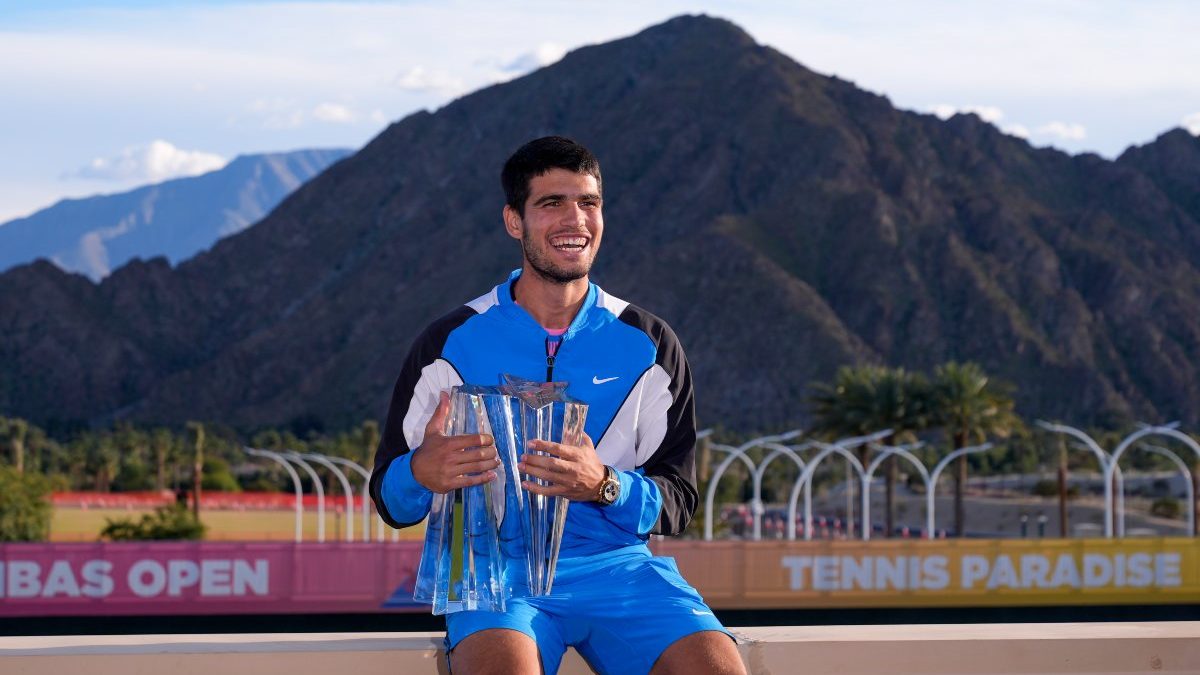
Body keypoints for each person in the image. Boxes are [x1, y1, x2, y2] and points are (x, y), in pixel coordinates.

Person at [371, 136, 745, 675]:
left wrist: (605, 485)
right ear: (514, 221)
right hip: (492, 571)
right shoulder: (449, 342)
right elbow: (389, 499)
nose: (575, 219)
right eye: (551, 204)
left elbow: (679, 501)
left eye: (588, 202)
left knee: (716, 669)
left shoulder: (648, 344)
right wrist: (421, 472)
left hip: (617, 568)